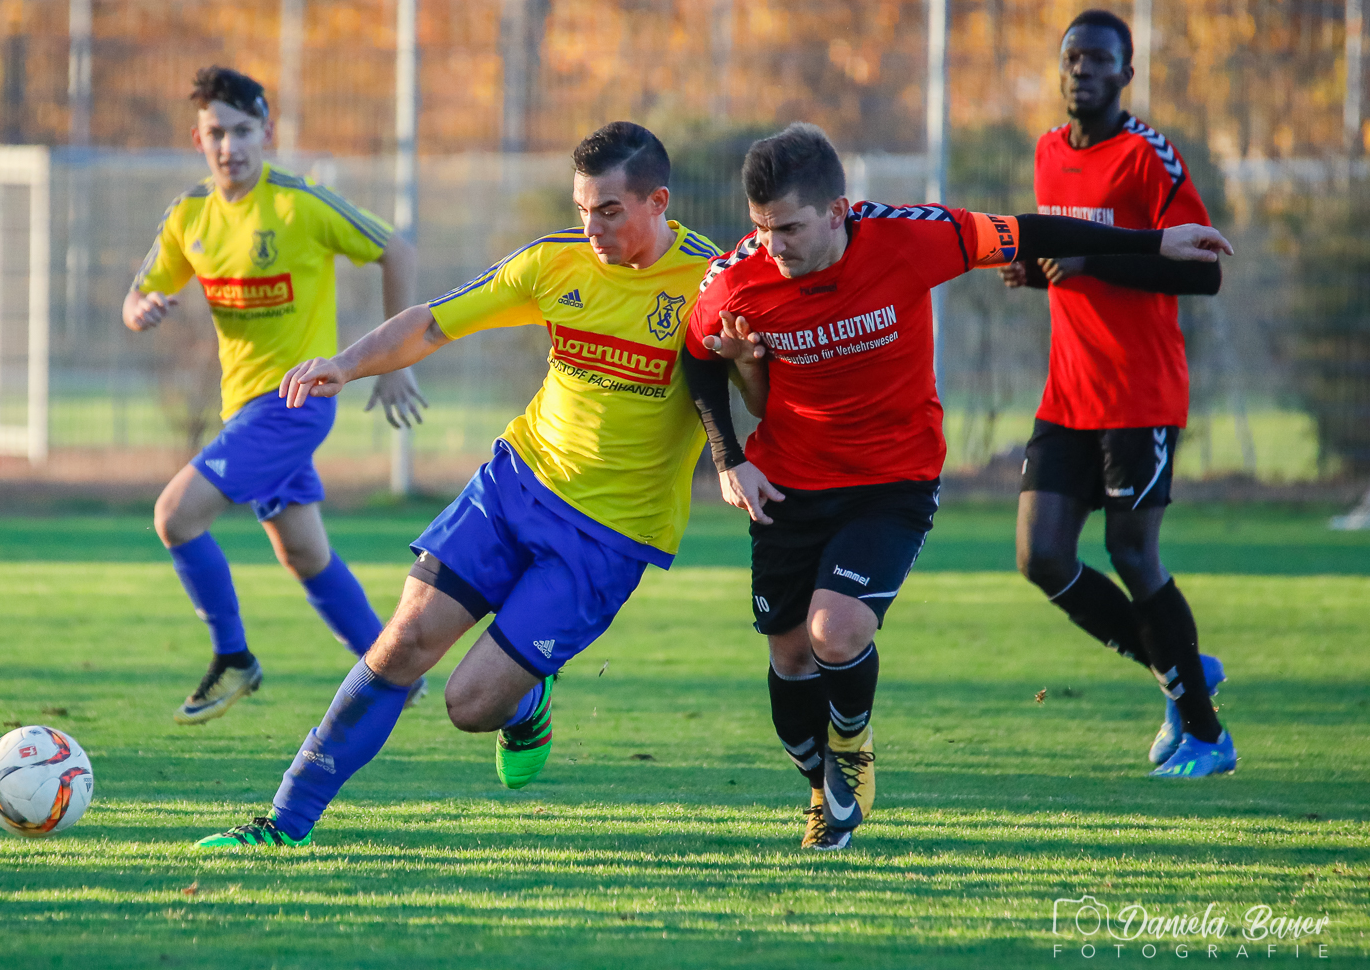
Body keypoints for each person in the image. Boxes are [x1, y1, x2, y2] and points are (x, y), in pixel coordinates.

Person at [681, 123, 1232, 850]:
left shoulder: (914, 237)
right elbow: (696, 354)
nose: (772, 245)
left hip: (892, 481)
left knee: (834, 633)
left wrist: (1155, 242)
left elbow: (1029, 230)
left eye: (789, 228)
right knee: (789, 658)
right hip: (789, 484)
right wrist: (728, 458)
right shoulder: (736, 277)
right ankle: (825, 791)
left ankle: (853, 749)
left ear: (838, 211)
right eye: (761, 227)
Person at [194, 121, 721, 848]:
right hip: (515, 486)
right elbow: (432, 323)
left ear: (657, 202)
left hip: (609, 537)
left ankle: (525, 700)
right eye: (581, 209)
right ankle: (283, 823)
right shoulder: (554, 262)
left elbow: (763, 380)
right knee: (402, 642)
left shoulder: (711, 283)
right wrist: (345, 365)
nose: (591, 228)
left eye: (609, 211)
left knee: (469, 706)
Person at [125, 66, 428, 725]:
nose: (229, 146)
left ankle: (234, 657)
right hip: (244, 409)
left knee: (175, 516)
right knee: (304, 552)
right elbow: (139, 293)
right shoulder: (189, 215)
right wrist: (141, 307)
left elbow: (398, 252)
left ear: (267, 132)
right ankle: (396, 673)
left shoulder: (299, 203)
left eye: (242, 131)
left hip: (295, 402)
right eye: (216, 133)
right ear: (198, 139)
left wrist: (395, 361)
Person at [999, 10, 1234, 778]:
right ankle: (1183, 668)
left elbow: (1204, 271)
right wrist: (1039, 273)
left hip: (1139, 394)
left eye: (1100, 59)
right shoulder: (1047, 152)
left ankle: (1207, 736)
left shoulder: (1149, 156)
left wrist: (1092, 261)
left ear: (1126, 74)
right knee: (1040, 556)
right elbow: (1067, 264)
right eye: (1073, 57)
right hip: (1068, 393)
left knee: (1132, 554)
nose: (1083, 70)